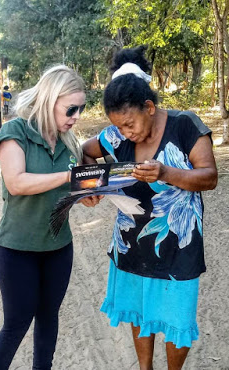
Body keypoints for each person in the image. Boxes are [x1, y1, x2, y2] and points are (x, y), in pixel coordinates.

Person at [82, 46, 218, 370]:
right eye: (119, 126)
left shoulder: (185, 126)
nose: (125, 133)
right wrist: (91, 187)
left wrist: (167, 173)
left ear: (149, 107)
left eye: (130, 124)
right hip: (130, 244)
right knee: (139, 311)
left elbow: (210, 176)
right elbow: (86, 151)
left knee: (176, 318)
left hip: (178, 247)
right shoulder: (114, 135)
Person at [0, 65, 99, 370]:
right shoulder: (16, 132)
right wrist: (69, 177)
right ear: (49, 100)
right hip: (17, 250)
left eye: (81, 108)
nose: (76, 116)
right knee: (16, 325)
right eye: (71, 108)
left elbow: (72, 192)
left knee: (48, 318)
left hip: (59, 248)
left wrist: (87, 194)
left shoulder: (70, 143)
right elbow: (17, 183)